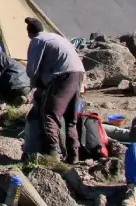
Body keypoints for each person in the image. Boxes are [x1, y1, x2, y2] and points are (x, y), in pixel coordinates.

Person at [25, 17, 85, 163]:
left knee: (50, 114)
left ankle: (53, 154)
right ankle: (73, 155)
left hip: (62, 76)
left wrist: (35, 86)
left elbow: (32, 70)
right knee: (71, 118)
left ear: (30, 32)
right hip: (78, 74)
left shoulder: (37, 40)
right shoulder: (55, 37)